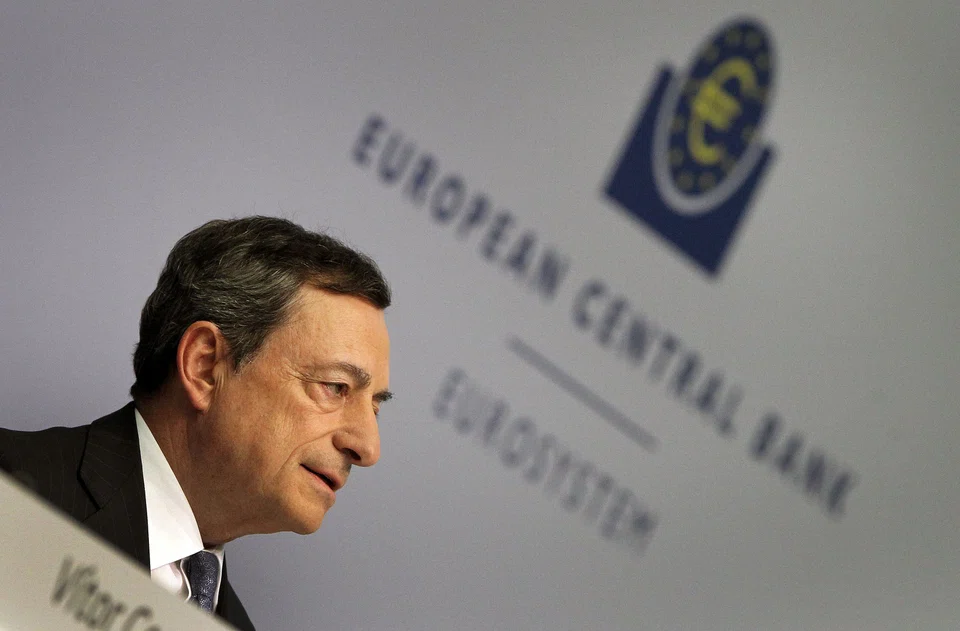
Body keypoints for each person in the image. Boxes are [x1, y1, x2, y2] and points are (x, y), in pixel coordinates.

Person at [0, 216, 393, 630]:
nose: (368, 448)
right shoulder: (13, 499)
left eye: (375, 408)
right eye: (335, 387)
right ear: (204, 367)